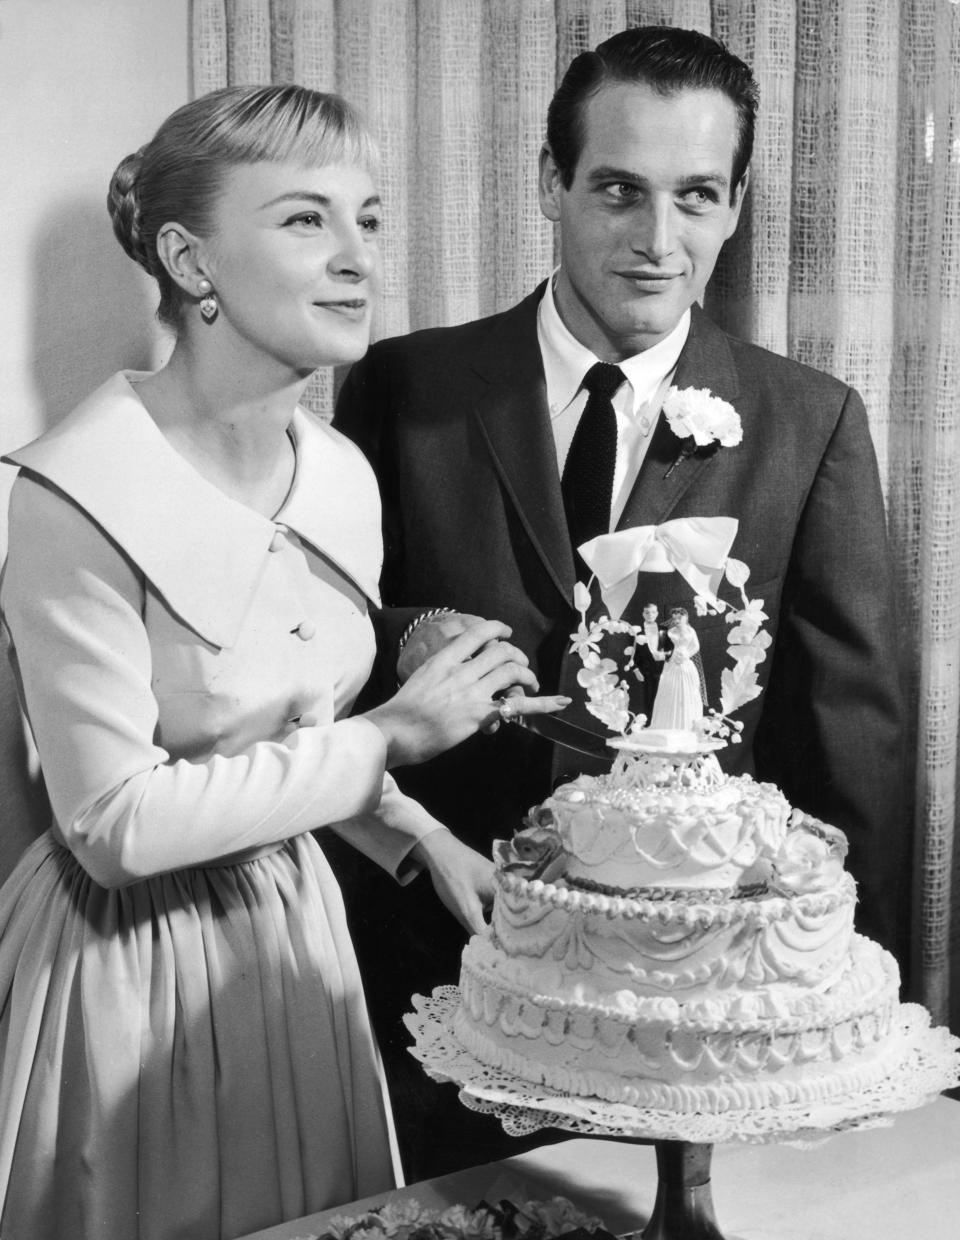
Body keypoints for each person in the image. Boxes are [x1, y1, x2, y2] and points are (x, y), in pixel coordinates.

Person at [334, 25, 907, 1178]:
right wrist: (412, 637)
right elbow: (326, 635)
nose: (659, 241)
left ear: (737, 205)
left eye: (697, 196)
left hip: (696, 1021)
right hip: (441, 968)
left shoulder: (810, 422)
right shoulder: (409, 384)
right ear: (551, 184)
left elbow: (857, 743)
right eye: (617, 191)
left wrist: (847, 1030)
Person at [0, 85, 567, 1240]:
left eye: (368, 220)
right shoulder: (69, 493)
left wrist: (423, 840)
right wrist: (393, 738)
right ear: (187, 257)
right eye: (307, 221)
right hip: (127, 969)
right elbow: (114, 826)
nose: (358, 258)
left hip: (296, 940)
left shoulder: (340, 474)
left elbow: (281, 741)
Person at [648, 607, 707, 730]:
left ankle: (688, 725)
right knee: (670, 689)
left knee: (689, 690)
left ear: (686, 617)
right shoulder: (667, 631)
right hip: (672, 663)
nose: (677, 620)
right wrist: (671, 655)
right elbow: (661, 648)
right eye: (674, 618)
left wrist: (687, 655)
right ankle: (668, 724)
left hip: (686, 663)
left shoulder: (691, 631)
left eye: (680, 617)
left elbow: (696, 646)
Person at [635, 602, 668, 720]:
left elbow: (670, 649)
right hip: (645, 670)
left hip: (661, 669)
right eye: (647, 612)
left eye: (653, 612)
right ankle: (648, 723)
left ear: (657, 613)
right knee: (647, 698)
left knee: (661, 698)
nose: (650, 615)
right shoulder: (636, 631)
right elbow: (631, 652)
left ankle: (659, 722)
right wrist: (636, 670)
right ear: (643, 614)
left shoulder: (664, 630)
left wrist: (664, 656)